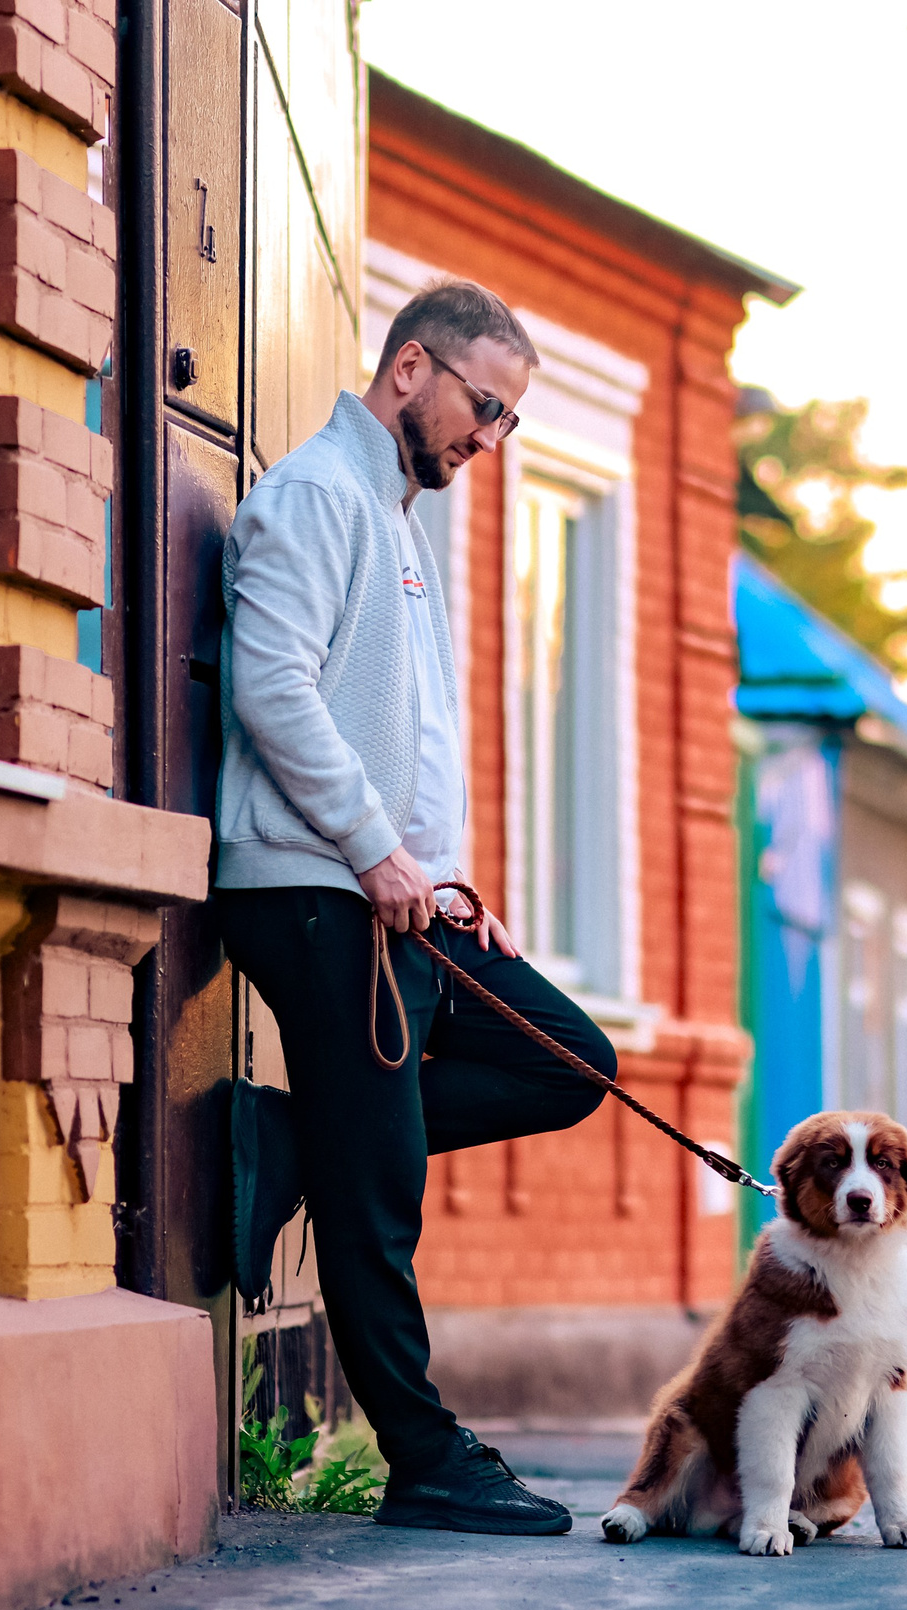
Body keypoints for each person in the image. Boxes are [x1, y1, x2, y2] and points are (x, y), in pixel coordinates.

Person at [215, 279, 617, 1535]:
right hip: (313, 890)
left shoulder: (394, 521)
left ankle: (292, 1142)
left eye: (504, 423)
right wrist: (380, 851)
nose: (487, 441)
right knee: (380, 1189)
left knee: (572, 1060)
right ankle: (422, 1455)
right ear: (410, 371)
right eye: (482, 408)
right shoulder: (312, 500)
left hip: (395, 896)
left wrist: (438, 873)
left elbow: (409, 735)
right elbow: (272, 689)